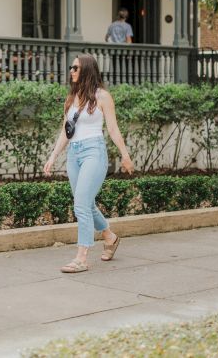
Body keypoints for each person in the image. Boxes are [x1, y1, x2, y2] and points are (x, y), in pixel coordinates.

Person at [43, 53, 134, 273]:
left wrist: (125, 155)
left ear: (86, 70)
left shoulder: (102, 97)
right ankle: (110, 237)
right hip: (74, 155)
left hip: (94, 152)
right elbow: (66, 132)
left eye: (75, 68)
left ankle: (81, 257)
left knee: (81, 205)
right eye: (71, 68)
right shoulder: (71, 98)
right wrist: (53, 156)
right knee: (86, 204)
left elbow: (112, 129)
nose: (71, 71)